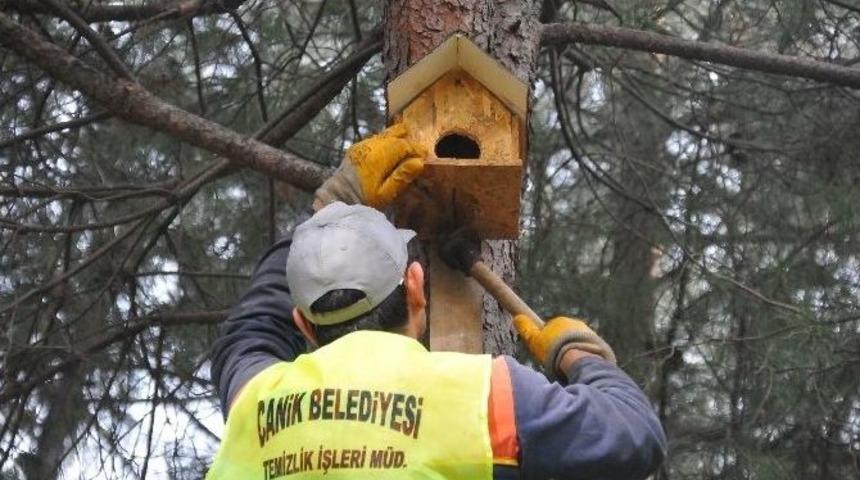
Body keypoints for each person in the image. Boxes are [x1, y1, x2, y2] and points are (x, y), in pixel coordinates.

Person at [207, 125, 667, 479]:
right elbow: (634, 434)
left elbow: (251, 331)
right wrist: (577, 354)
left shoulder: (255, 403)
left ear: (304, 325)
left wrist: (330, 212)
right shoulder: (480, 396)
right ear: (415, 286)